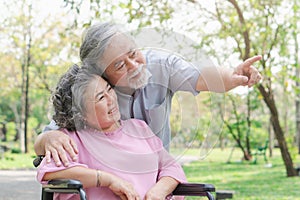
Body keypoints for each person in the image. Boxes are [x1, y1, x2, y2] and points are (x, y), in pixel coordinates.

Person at [34, 22, 262, 167]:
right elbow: (49, 134)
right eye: (119, 65)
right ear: (101, 74)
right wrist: (49, 138)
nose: (134, 66)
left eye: (133, 53)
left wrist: (233, 75)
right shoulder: (91, 90)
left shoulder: (162, 64)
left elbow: (202, 77)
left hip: (154, 178)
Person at [37, 64, 186, 200]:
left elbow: (171, 167)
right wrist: (107, 180)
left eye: (109, 89)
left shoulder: (138, 128)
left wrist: (158, 191)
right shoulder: (71, 139)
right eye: (101, 97)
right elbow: (50, 173)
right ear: (80, 112)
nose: (111, 99)